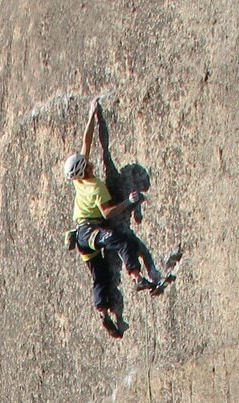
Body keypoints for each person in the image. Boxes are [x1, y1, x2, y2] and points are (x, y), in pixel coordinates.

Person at [64, 100, 169, 335]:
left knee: (100, 275)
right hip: (90, 231)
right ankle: (136, 276)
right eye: (87, 163)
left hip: (81, 237)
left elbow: (87, 142)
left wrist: (92, 115)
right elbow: (108, 213)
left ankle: (104, 311)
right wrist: (129, 203)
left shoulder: (79, 181)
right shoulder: (94, 187)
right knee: (122, 240)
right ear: (84, 169)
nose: (89, 161)